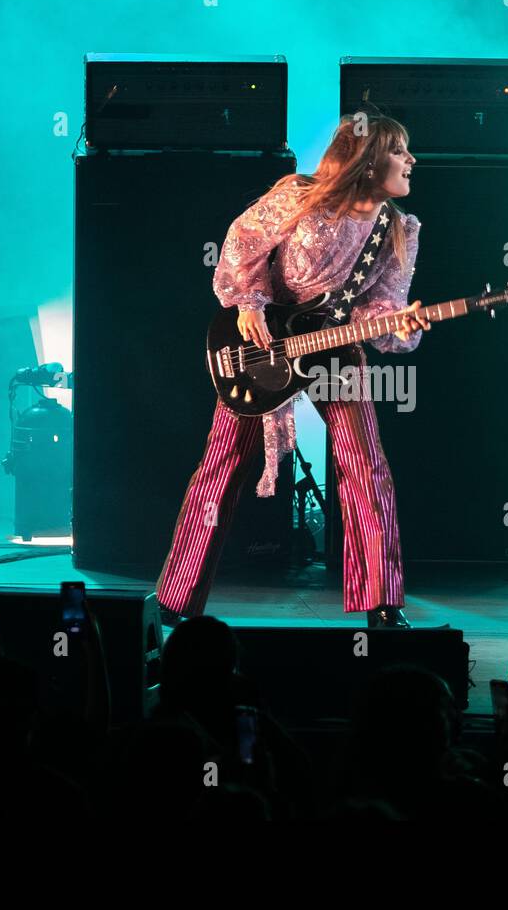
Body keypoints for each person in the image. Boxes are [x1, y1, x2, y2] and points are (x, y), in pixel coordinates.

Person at [155, 111, 429, 628]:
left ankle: (382, 604)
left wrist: (401, 322)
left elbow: (380, 308)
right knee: (222, 465)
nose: (412, 160)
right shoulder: (301, 196)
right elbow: (243, 239)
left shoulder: (397, 230)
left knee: (365, 468)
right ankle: (175, 599)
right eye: (400, 150)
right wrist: (249, 304)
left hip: (334, 347)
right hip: (262, 346)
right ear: (368, 160)